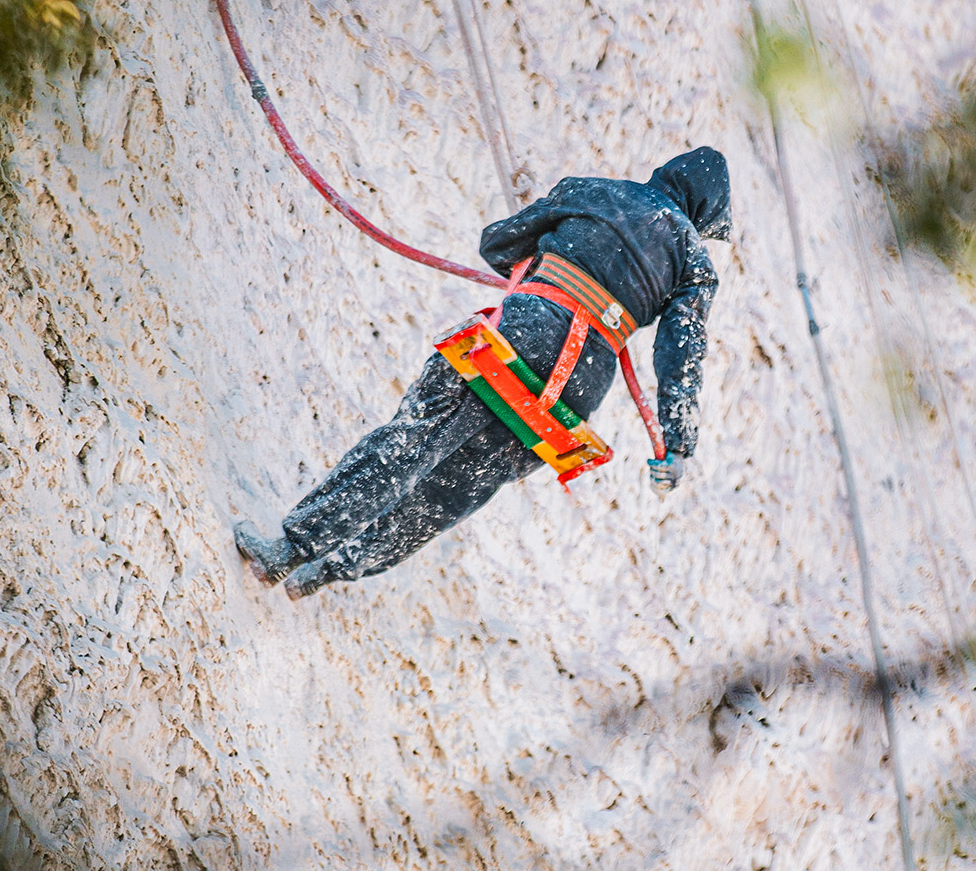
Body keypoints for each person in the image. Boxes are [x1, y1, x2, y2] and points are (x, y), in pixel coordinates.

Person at [235, 146, 729, 597]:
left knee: (414, 442)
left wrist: (550, 259)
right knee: (450, 493)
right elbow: (682, 356)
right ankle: (326, 573)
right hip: (577, 391)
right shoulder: (695, 262)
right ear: (702, 212)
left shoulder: (593, 190)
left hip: (522, 335)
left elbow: (497, 244)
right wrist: (678, 445)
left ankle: (290, 551)